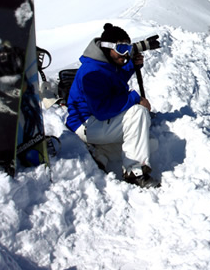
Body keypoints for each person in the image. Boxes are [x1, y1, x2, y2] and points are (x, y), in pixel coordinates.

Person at [66, 23, 160, 188]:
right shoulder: (91, 73)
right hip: (86, 124)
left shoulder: (105, 63)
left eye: (127, 49)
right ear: (107, 47)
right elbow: (102, 110)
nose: (125, 54)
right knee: (138, 114)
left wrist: (131, 66)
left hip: (97, 123)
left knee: (149, 142)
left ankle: (99, 154)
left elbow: (113, 82)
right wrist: (135, 99)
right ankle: (134, 173)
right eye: (121, 49)